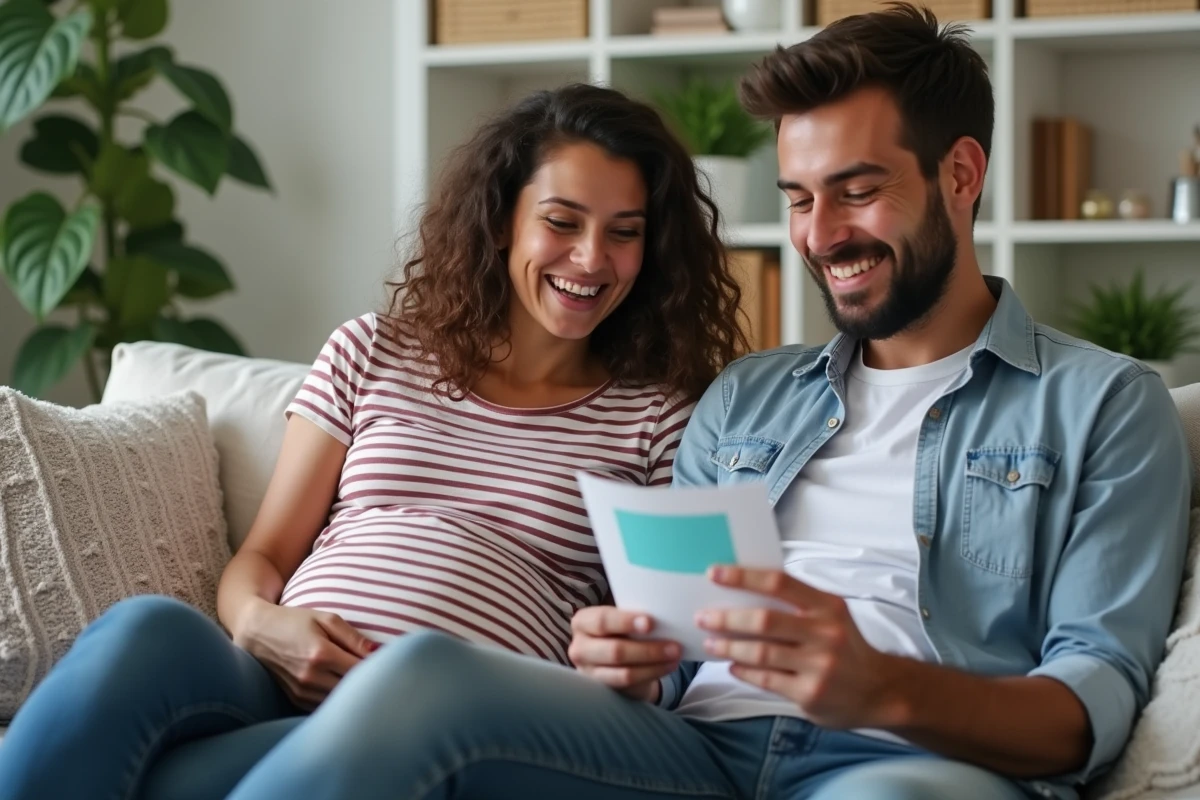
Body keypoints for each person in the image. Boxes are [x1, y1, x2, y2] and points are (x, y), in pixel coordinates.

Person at [208, 4, 1193, 800]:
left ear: (962, 175)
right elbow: (666, 648)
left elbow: (1089, 700)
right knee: (422, 676)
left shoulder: (1104, 404)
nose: (821, 234)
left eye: (857, 191)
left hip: (903, 763)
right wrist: (629, 655)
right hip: (684, 755)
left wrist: (882, 685)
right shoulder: (745, 398)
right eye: (800, 198)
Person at [0, 82, 750, 799]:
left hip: (451, 719)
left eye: (625, 233)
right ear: (500, 221)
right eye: (562, 222)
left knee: (184, 775)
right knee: (146, 627)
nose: (592, 259)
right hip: (270, 683)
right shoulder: (373, 351)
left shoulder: (658, 420)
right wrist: (268, 627)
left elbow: (672, 648)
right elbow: (262, 557)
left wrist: (632, 661)